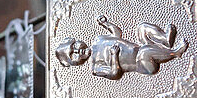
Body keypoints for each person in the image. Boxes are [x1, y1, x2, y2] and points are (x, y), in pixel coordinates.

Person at [55, 15, 186, 79]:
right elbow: (114, 73)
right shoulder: (95, 67)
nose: (78, 50)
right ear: (75, 63)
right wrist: (113, 56)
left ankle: (165, 40)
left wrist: (106, 24)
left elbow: (117, 34)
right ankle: (175, 53)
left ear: (77, 40)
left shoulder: (98, 40)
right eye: (73, 54)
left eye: (74, 46)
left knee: (142, 28)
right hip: (143, 64)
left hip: (140, 46)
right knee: (145, 52)